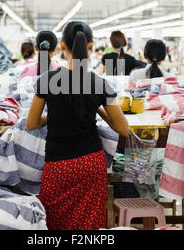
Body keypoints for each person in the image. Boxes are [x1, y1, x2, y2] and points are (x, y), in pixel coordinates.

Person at [26, 21, 129, 230]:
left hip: (58, 166)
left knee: (54, 224)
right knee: (88, 226)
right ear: (90, 46)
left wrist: (55, 114)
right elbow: (123, 129)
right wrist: (97, 108)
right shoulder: (100, 84)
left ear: (62, 46)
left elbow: (31, 123)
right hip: (90, 164)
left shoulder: (47, 80)